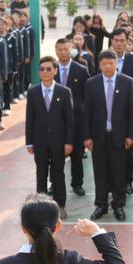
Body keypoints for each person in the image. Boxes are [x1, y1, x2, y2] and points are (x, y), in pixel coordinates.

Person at [83, 49, 133, 222]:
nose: (108, 67)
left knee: (118, 172)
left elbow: (131, 111)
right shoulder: (92, 83)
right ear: (99, 65)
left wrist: (130, 135)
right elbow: (87, 112)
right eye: (104, 64)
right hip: (98, 137)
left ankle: (118, 205)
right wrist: (87, 136)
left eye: (111, 63)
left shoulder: (127, 82)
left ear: (116, 64)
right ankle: (101, 205)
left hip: (119, 136)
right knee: (100, 172)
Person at [25, 56, 74, 220]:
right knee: (41, 173)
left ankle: (60, 205)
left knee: (58, 173)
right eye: (42, 69)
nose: (45, 72)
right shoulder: (33, 92)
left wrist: (69, 141)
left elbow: (69, 120)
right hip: (39, 142)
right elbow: (30, 119)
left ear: (55, 71)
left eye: (48, 69)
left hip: (59, 142)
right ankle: (41, 206)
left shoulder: (64, 92)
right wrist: (29, 142)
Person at [55, 38, 90, 196]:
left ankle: (77, 183)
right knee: (54, 155)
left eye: (65, 49)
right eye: (59, 49)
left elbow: (86, 95)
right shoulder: (50, 69)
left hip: (75, 120)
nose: (62, 52)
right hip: (55, 121)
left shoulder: (81, 69)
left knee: (76, 154)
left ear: (71, 50)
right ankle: (54, 183)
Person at [110, 28, 133, 195]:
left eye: (122, 40)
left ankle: (127, 181)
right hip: (107, 113)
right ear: (111, 42)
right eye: (116, 40)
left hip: (127, 113)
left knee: (127, 148)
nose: (119, 44)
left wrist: (124, 103)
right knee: (108, 148)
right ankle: (110, 182)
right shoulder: (104, 59)